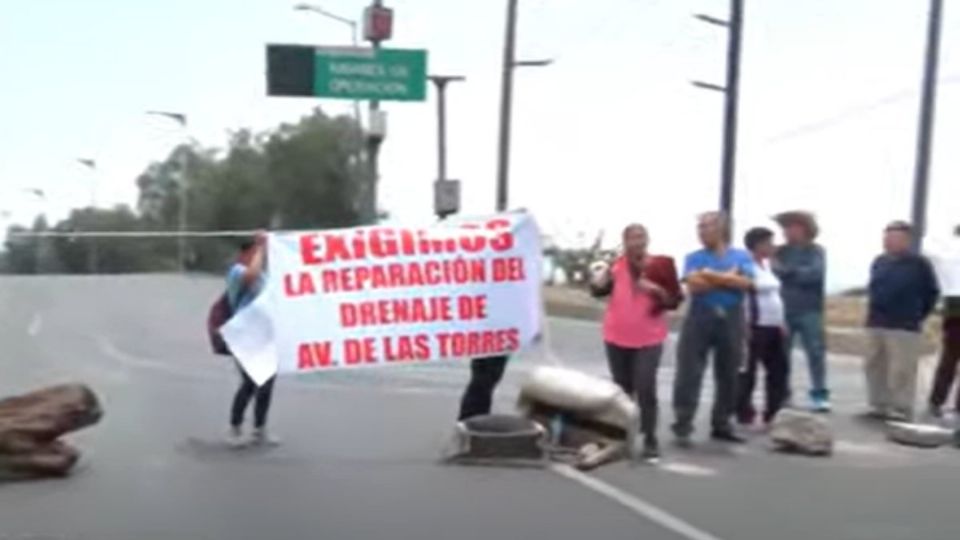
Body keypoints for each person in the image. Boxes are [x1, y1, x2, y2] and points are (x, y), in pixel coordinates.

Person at [589, 224, 683, 461]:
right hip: (616, 335)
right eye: (631, 238)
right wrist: (599, 281)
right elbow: (598, 291)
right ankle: (621, 436)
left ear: (647, 240)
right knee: (621, 390)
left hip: (649, 337)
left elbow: (674, 300)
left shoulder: (660, 265)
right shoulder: (615, 266)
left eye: (641, 237)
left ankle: (650, 438)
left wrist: (657, 290)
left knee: (646, 387)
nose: (637, 242)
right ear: (624, 241)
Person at [673, 212, 754, 446]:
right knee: (689, 371)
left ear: (721, 229)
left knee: (729, 372)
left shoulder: (741, 256)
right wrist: (727, 277)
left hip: (732, 316)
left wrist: (709, 275)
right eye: (699, 227)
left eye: (707, 227)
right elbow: (695, 286)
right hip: (700, 315)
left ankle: (722, 423)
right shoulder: (694, 257)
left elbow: (746, 283)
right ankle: (683, 421)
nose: (702, 231)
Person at [864, 221, 940, 421]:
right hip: (876, 322)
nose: (889, 241)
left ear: (906, 240)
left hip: (904, 324)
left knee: (902, 369)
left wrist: (917, 314)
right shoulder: (879, 261)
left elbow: (932, 293)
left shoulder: (919, 264)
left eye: (894, 237)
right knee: (875, 364)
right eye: (887, 237)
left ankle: (901, 407)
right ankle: (879, 404)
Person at [772, 211, 831, 412]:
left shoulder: (816, 251)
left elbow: (814, 275)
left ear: (805, 229)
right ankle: (783, 393)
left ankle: (820, 394)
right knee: (781, 354)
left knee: (815, 352)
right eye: (785, 228)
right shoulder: (779, 252)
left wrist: (788, 272)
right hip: (783, 309)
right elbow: (774, 271)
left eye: (793, 227)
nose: (788, 232)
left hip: (810, 310)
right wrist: (792, 272)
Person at [226, 233, 278, 447]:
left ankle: (259, 429)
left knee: (266, 384)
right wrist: (260, 247)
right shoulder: (236, 272)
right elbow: (251, 276)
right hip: (244, 333)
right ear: (245, 254)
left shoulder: (264, 276)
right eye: (253, 254)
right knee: (249, 382)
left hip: (263, 334)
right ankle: (235, 428)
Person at [736, 227, 789, 426]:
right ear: (758, 245)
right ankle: (743, 409)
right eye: (768, 243)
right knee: (748, 370)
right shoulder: (745, 265)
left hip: (773, 324)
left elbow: (776, 295)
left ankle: (773, 410)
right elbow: (749, 289)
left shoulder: (768, 266)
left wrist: (781, 321)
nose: (772, 247)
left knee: (778, 370)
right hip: (755, 323)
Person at [927, 225, 960, 419]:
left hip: (953, 317)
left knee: (948, 361)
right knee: (948, 361)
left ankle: (937, 402)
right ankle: (938, 403)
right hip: (954, 318)